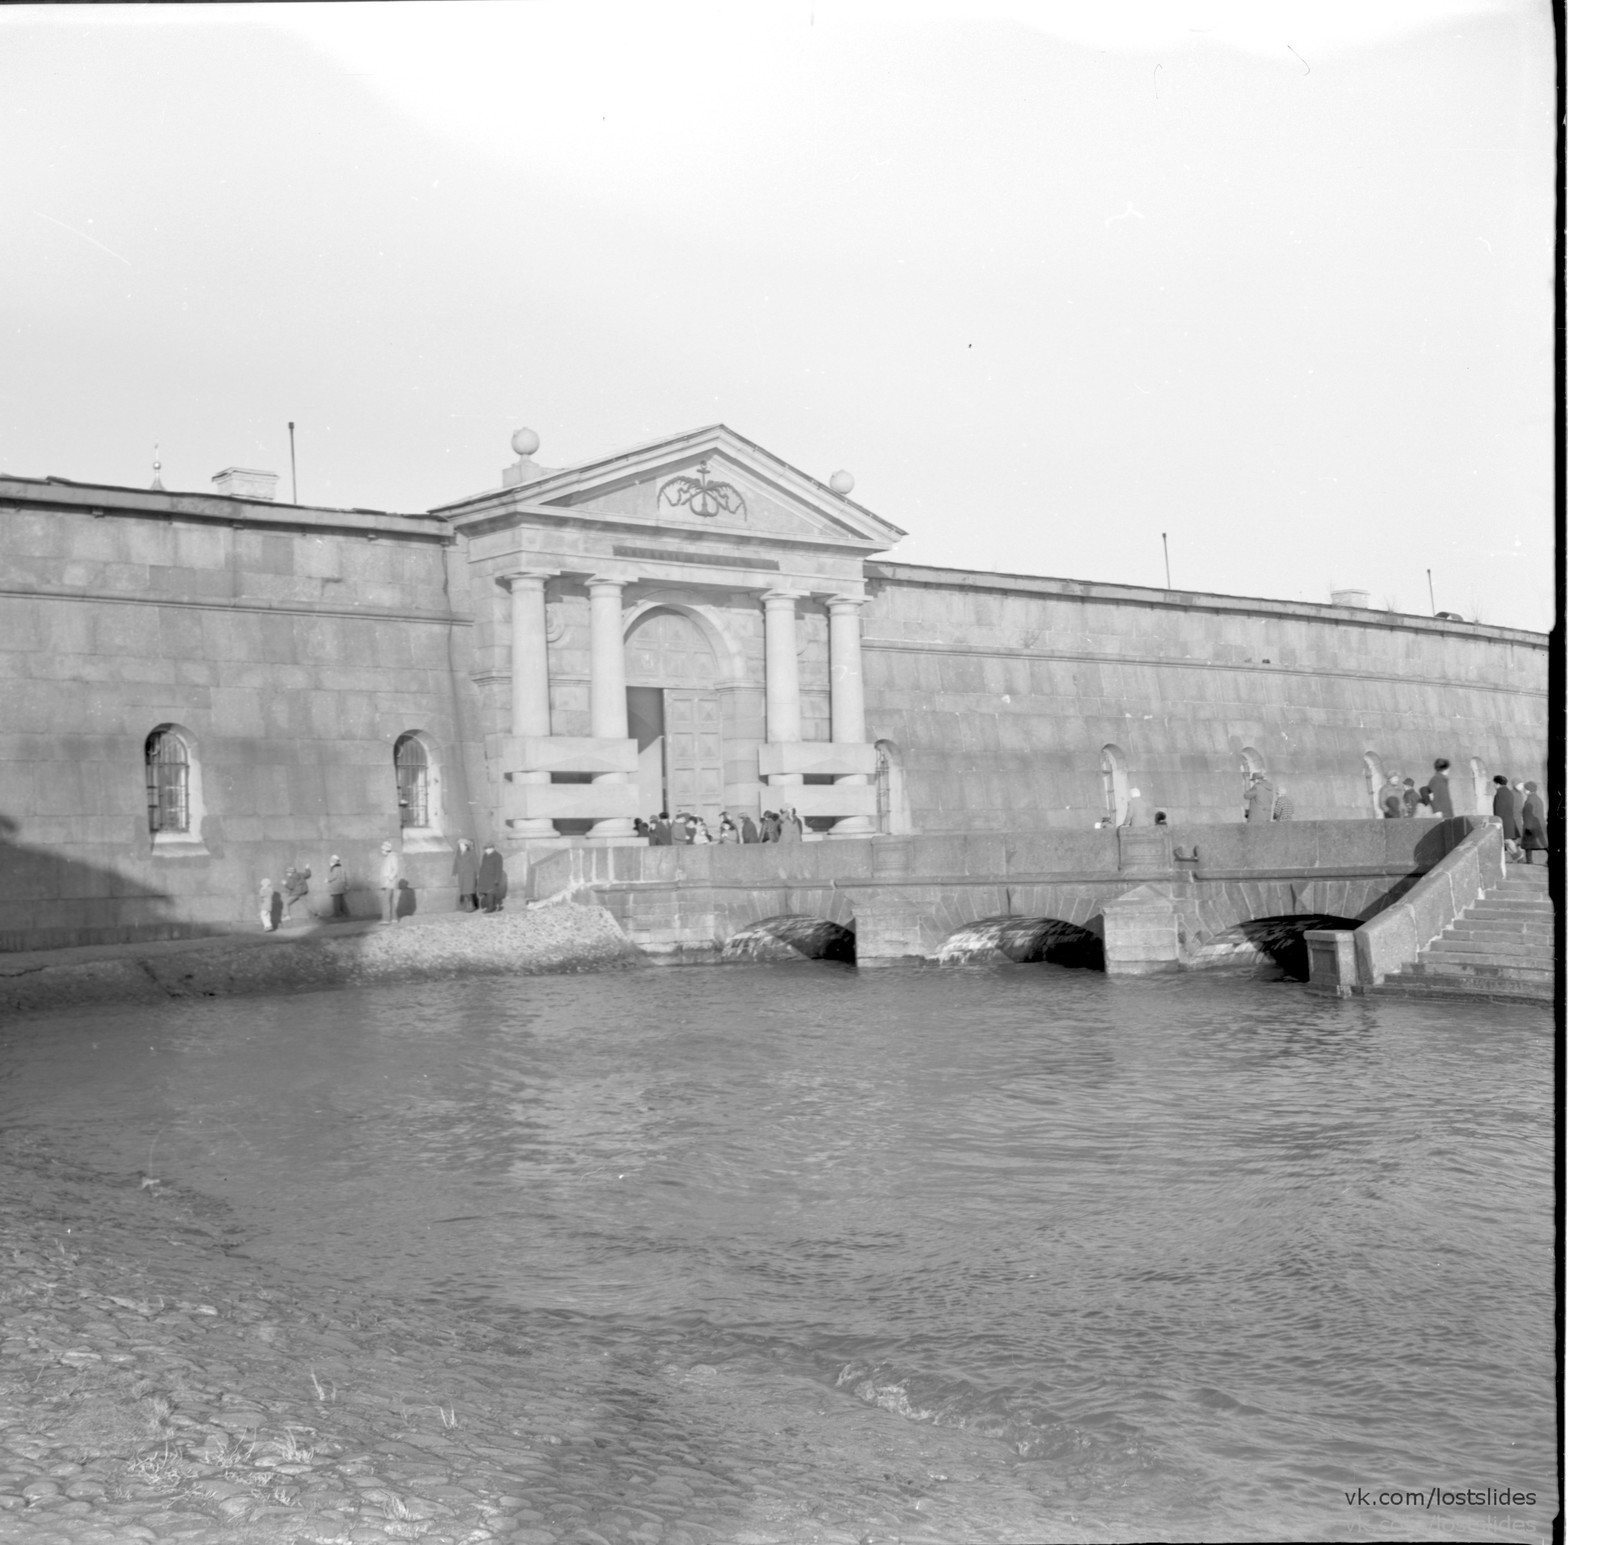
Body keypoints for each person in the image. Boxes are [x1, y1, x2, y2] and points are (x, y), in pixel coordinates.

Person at [1491, 775, 1523, 850]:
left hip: (1503, 821)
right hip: (1509, 820)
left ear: (1497, 784)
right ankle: (1517, 857)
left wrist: (1497, 821)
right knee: (1507, 841)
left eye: (1494, 784)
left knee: (1507, 840)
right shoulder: (1508, 792)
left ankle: (1519, 857)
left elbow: (1499, 809)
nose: (1493, 786)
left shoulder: (1500, 793)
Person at [1520, 781, 1549, 866]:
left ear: (1529, 790)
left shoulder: (1530, 800)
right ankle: (1530, 861)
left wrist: (1528, 827)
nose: (1524, 791)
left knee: (1528, 844)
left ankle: (1529, 861)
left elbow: (1529, 814)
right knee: (1544, 843)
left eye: (1525, 789)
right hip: (1539, 824)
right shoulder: (1537, 798)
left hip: (1531, 825)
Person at [477, 844, 506, 912]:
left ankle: (490, 908)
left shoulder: (498, 856)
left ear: (492, 848)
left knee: (490, 892)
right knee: (488, 892)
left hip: (492, 877)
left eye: (488, 849)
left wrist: (497, 879)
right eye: (485, 849)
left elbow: (499, 869)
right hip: (485, 877)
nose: (486, 850)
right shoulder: (485, 855)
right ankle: (497, 906)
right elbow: (483, 866)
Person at [379, 840, 401, 923]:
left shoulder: (393, 856)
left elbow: (395, 869)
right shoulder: (389, 857)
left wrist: (389, 878)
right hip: (387, 881)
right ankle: (394, 918)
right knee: (390, 900)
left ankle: (386, 919)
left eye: (383, 850)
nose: (382, 852)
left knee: (386, 900)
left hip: (389, 882)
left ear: (386, 850)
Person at [453, 839, 479, 911]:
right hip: (461, 875)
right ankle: (468, 905)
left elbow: (476, 864)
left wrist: (478, 873)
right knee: (464, 891)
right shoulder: (458, 854)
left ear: (466, 846)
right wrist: (454, 872)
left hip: (469, 874)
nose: (461, 847)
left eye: (462, 845)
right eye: (460, 845)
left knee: (469, 891)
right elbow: (456, 864)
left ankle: (471, 906)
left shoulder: (471, 853)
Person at [327, 855, 349, 919]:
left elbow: (334, 877)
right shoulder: (341, 868)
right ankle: (346, 913)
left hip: (336, 887)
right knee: (341, 901)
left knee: (336, 901)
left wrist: (328, 880)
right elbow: (344, 877)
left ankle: (337, 914)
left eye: (331, 862)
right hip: (341, 886)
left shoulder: (335, 868)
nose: (330, 863)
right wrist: (346, 885)